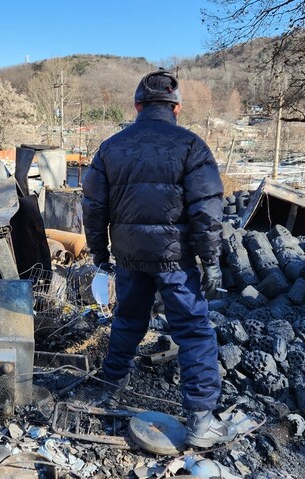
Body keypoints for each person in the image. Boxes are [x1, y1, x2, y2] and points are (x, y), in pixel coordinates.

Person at [81, 69, 231, 447]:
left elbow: (93, 207)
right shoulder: (192, 146)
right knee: (193, 331)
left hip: (130, 255)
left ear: (137, 106)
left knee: (128, 319)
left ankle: (110, 385)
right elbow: (206, 210)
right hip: (176, 260)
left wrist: (100, 254)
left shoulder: (110, 148)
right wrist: (211, 260)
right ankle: (200, 422)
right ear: (176, 107)